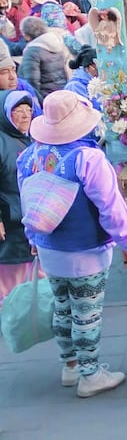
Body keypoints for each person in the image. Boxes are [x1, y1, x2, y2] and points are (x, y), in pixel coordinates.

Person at [17, 91, 127, 397]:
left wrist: (33, 238)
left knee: (63, 308)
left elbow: (28, 201)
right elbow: (111, 206)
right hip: (85, 250)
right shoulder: (88, 158)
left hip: (47, 247)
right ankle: (90, 374)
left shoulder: (29, 156)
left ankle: (70, 366)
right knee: (86, 311)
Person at [0, 91, 33, 308]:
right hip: (10, 221)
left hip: (28, 220)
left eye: (28, 110)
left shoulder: (32, 138)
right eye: (17, 111)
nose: (25, 115)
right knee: (10, 274)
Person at [19, 16, 69, 97]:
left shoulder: (32, 51)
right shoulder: (54, 43)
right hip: (62, 92)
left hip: (45, 97)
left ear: (27, 35)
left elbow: (32, 82)